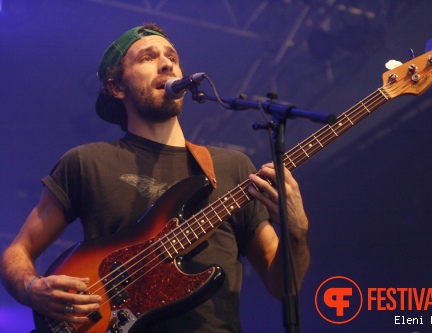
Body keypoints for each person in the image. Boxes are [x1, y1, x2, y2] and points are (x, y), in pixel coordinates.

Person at [0, 23, 310, 332]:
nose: (167, 63)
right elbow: (16, 252)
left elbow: (283, 284)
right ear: (116, 88)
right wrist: (32, 289)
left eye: (172, 57)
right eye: (147, 58)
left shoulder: (233, 167)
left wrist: (297, 229)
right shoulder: (86, 162)